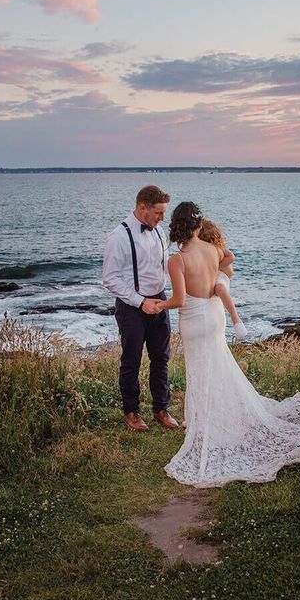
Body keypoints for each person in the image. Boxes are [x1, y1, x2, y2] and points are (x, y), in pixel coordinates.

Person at [156, 202, 300, 488]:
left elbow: (179, 300)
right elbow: (225, 267)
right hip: (215, 316)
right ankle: (202, 419)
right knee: (218, 366)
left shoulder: (177, 260)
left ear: (175, 226)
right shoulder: (213, 250)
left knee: (201, 370)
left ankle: (204, 424)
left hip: (194, 319)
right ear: (197, 225)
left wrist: (158, 305)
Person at [102, 185, 179, 432]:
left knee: (161, 357)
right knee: (131, 360)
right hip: (132, 307)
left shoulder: (159, 233)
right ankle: (131, 412)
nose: (162, 218)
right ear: (142, 208)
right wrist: (140, 302)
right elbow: (110, 278)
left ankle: (161, 409)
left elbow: (163, 267)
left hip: (160, 301)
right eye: (158, 213)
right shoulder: (119, 236)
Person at [198, 218, 248, 340]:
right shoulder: (197, 248)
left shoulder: (217, 247)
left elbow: (231, 257)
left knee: (219, 288)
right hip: (208, 275)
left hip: (221, 274)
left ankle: (236, 319)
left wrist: (216, 268)